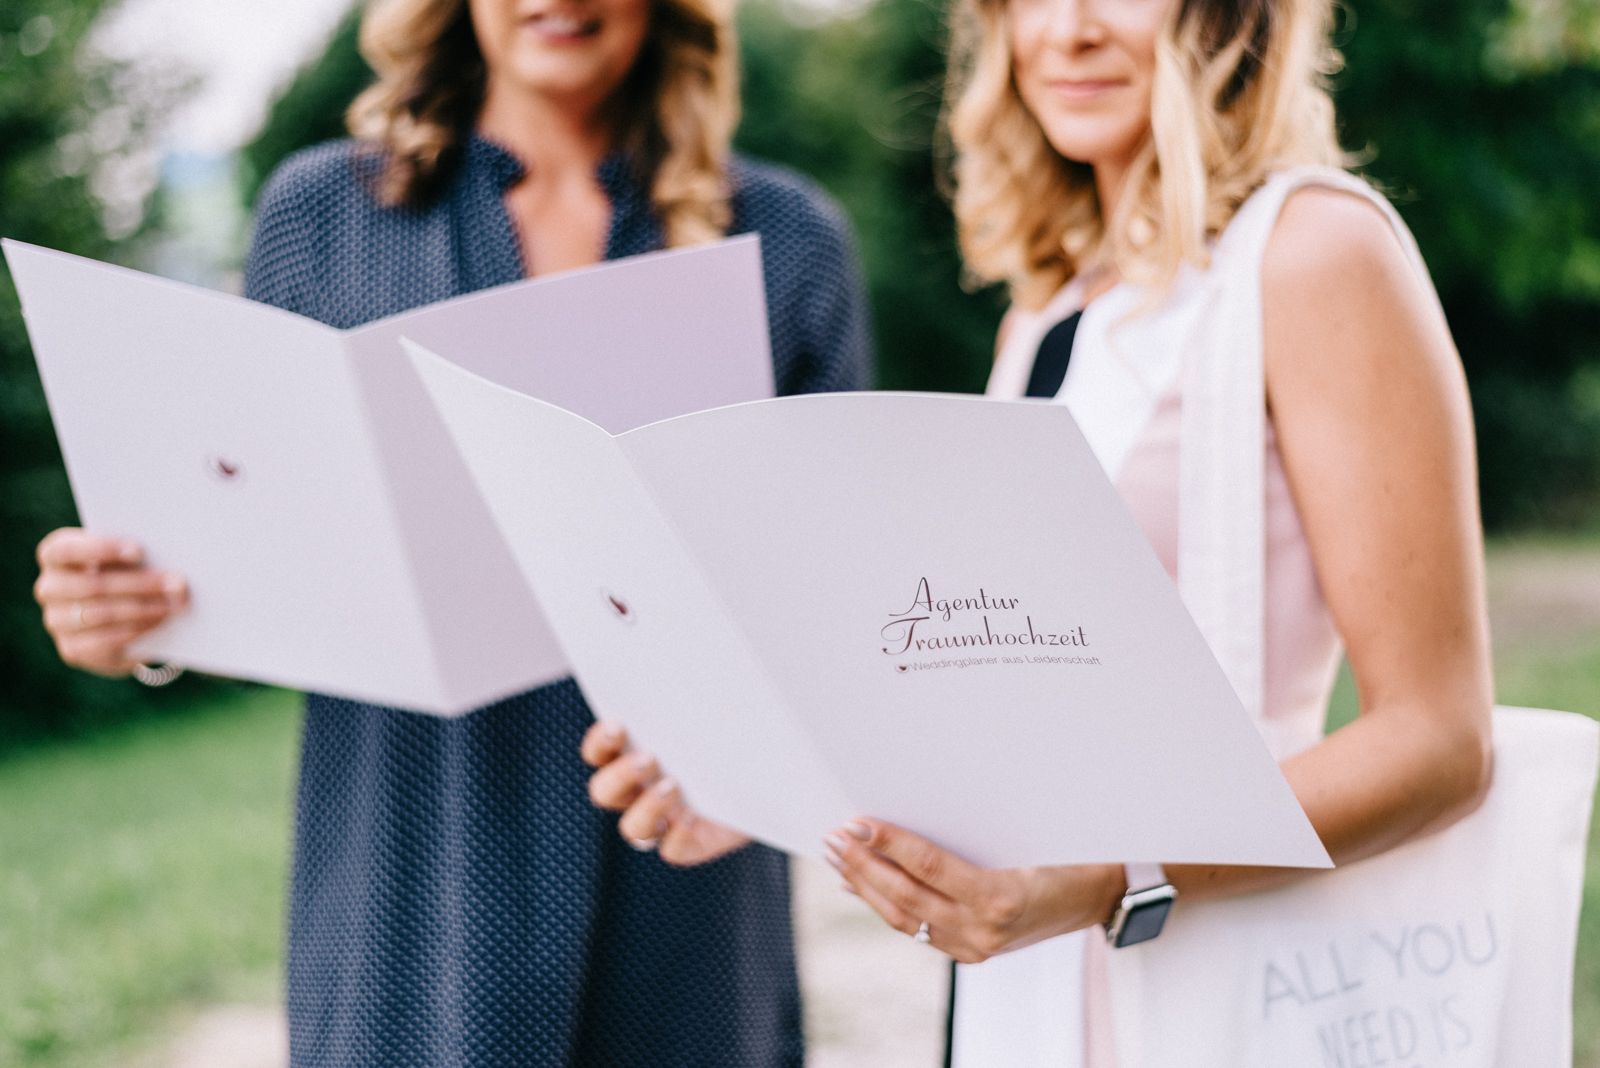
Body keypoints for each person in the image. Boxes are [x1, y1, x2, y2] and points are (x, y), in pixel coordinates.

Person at [588, 0, 1493, 1057]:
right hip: (1025, 994)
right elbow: (1013, 709)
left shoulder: (1314, 251)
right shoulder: (1050, 308)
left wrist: (1110, 879)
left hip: (1218, 987)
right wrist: (764, 784)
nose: (1066, 30)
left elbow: (1440, 741)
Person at [31, 0, 870, 1063]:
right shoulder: (325, 214)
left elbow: (839, 588)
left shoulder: (786, 239)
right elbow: (251, 533)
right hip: (414, 852)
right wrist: (137, 613)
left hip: (683, 861)